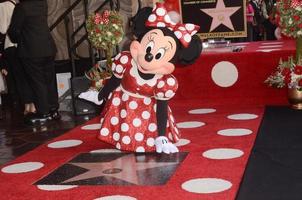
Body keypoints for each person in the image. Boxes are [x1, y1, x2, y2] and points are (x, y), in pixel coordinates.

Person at [79, 3, 202, 154]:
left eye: (159, 55)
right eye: (149, 48)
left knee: (149, 132)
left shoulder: (165, 82)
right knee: (125, 128)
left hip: (149, 112)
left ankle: (156, 141)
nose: (149, 56)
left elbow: (162, 107)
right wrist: (100, 95)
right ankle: (125, 141)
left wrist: (161, 136)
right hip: (124, 105)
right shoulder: (125, 61)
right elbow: (115, 81)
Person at [7, 0, 60, 125]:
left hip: (31, 50)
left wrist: (19, 37)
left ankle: (43, 112)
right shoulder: (42, 3)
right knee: (49, 79)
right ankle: (54, 110)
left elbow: (14, 31)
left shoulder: (21, 7)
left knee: (37, 81)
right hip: (48, 46)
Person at [0, 0, 37, 116]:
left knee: (20, 77)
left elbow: (2, 29)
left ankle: (27, 106)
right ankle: (33, 105)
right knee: (27, 75)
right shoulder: (23, 5)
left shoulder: (3, 5)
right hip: (25, 44)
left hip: (11, 45)